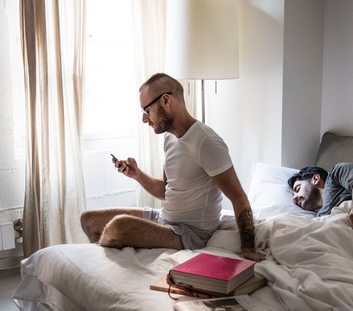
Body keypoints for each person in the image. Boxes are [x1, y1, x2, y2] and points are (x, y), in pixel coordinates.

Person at [80, 73, 263, 262]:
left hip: (190, 233)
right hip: (164, 220)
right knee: (89, 220)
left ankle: (105, 268)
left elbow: (238, 197)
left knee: (118, 227)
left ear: (166, 100)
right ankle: (105, 268)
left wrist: (248, 247)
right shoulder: (169, 138)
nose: (144, 119)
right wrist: (138, 175)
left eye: (146, 110)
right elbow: (166, 191)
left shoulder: (206, 142)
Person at [287, 163, 353, 235]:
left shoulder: (336, 173)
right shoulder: (319, 217)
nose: (294, 198)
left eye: (298, 189)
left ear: (315, 179)